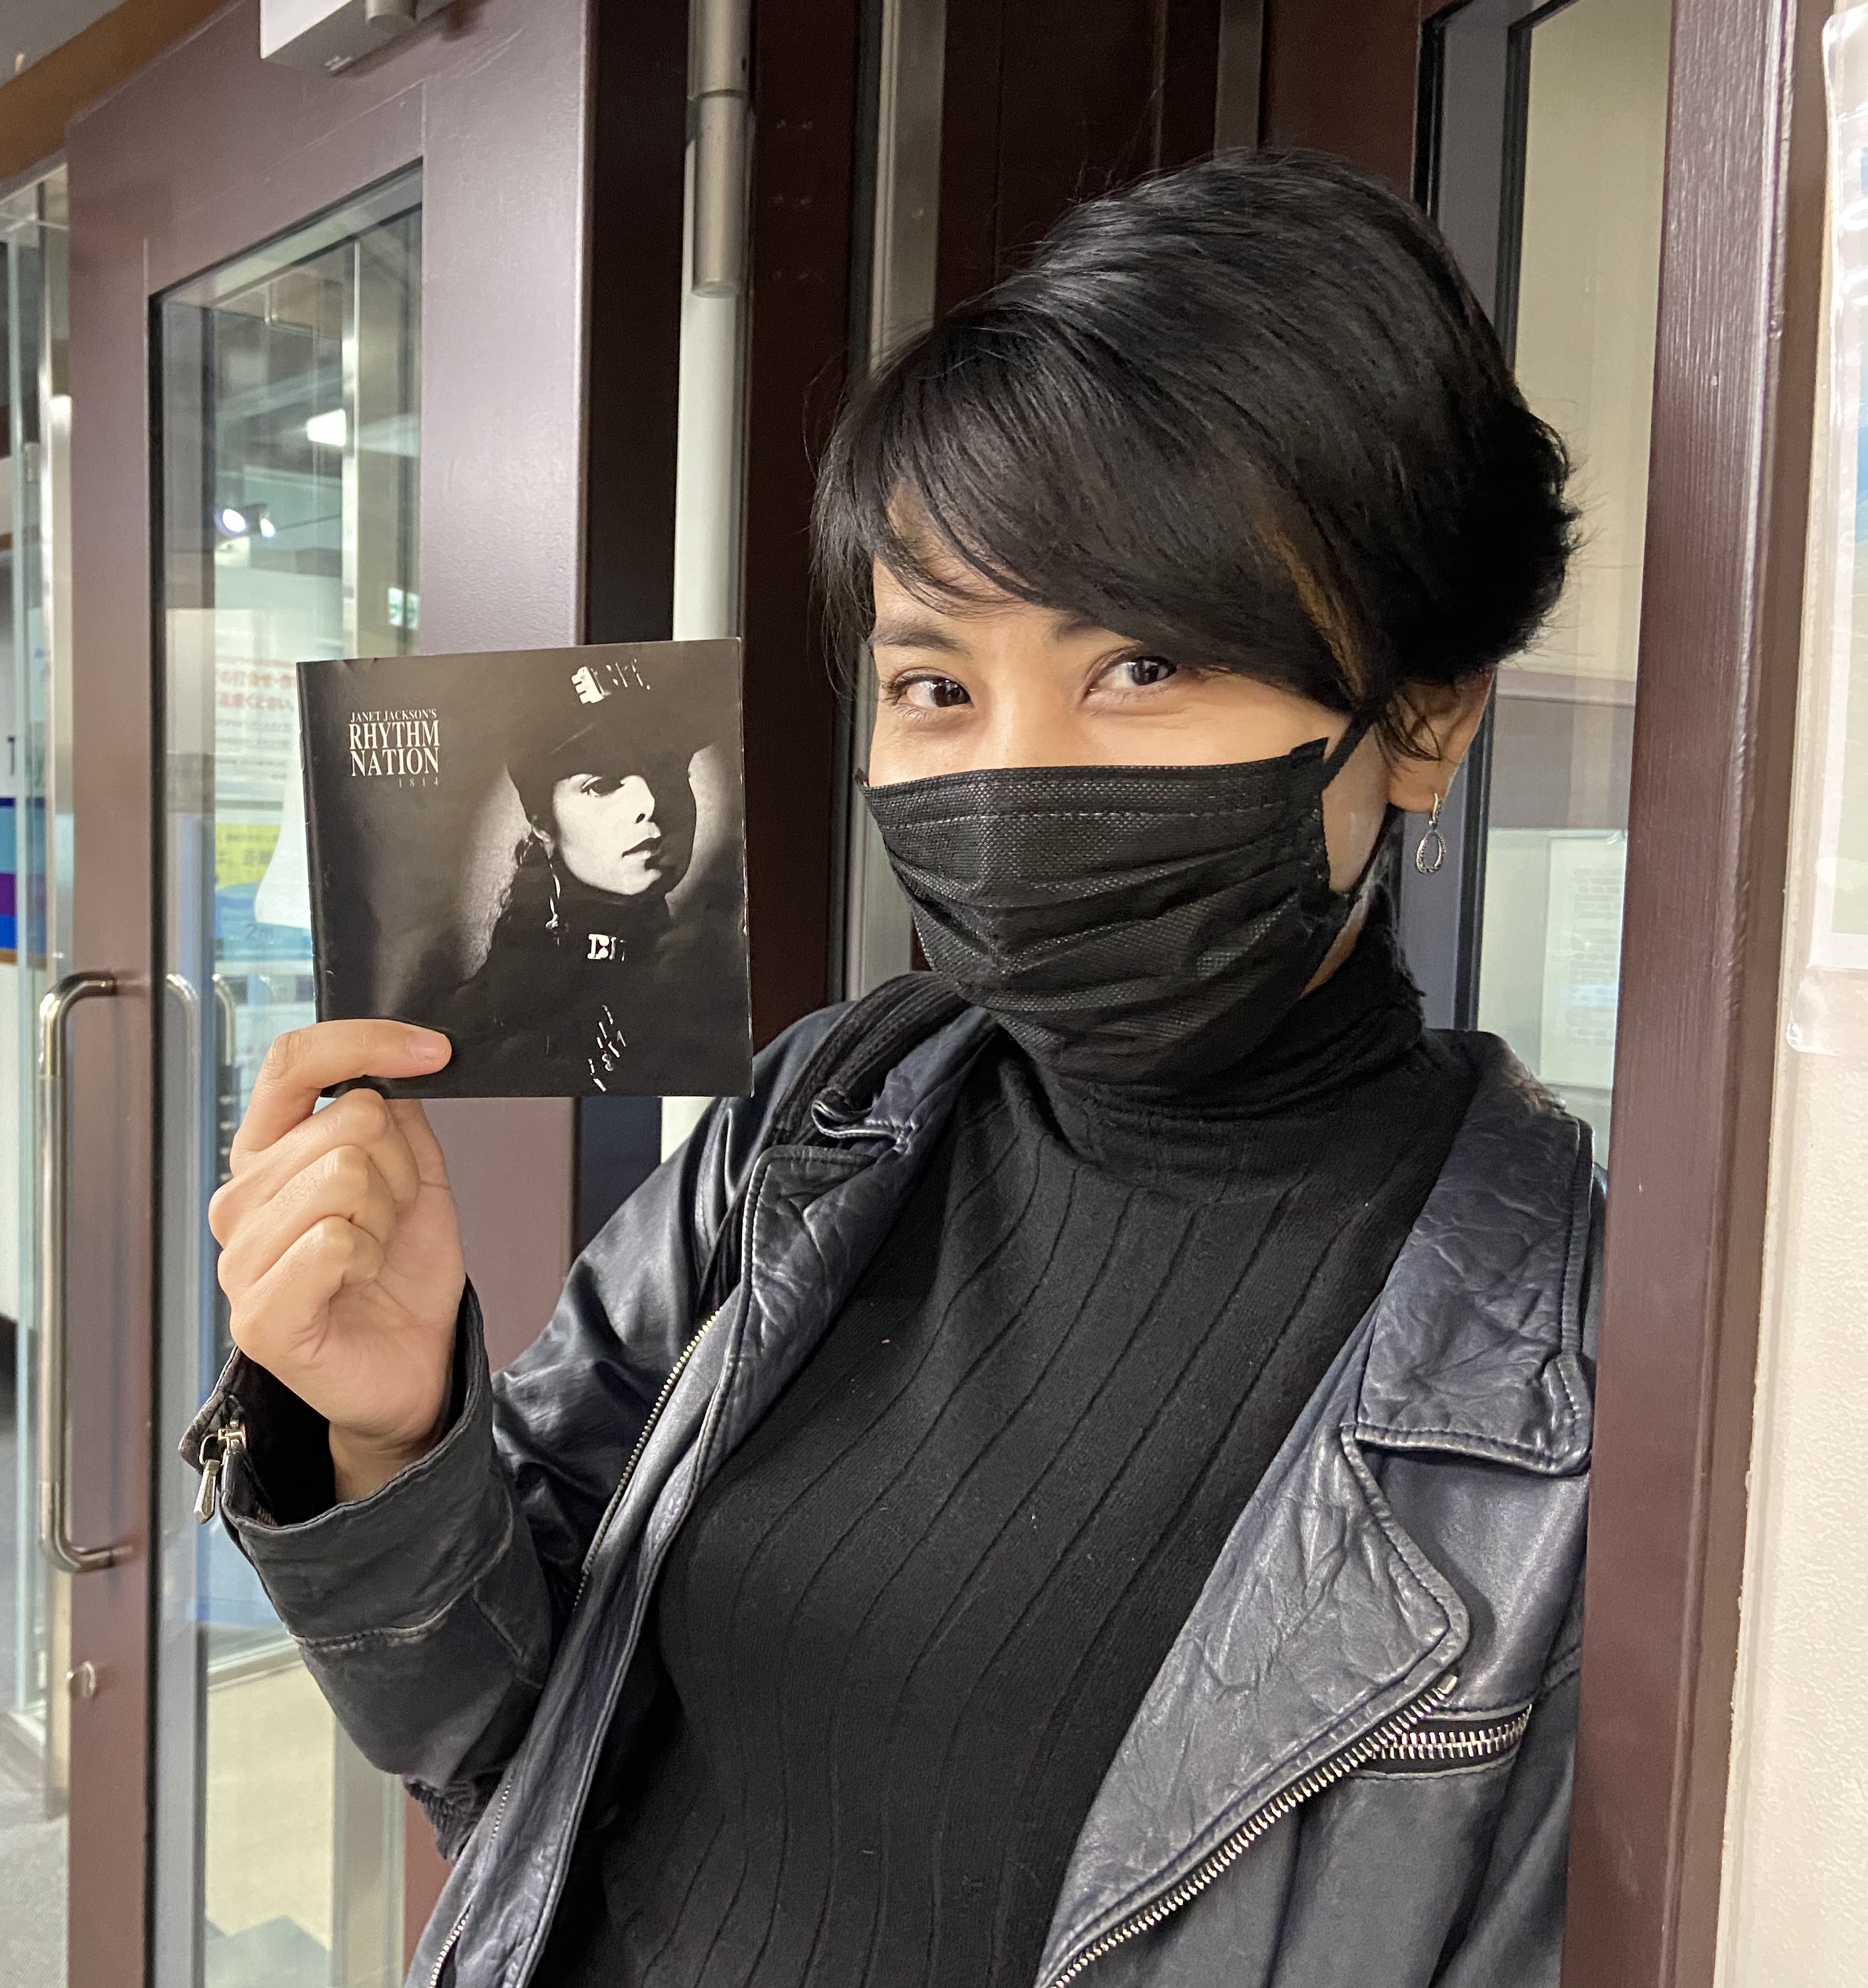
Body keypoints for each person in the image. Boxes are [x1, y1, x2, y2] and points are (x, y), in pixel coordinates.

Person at [188, 149, 1589, 1988]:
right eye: (937, 686)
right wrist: (387, 1433)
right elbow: (503, 1749)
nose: (1011, 772)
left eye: (1145, 665)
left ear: (1423, 715)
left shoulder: (1562, 1388)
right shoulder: (824, 1118)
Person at [424, 661, 729, 1095]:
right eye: (602, 785)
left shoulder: (721, 996)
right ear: (543, 825)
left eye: (669, 771)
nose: (649, 803)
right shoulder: (485, 1027)